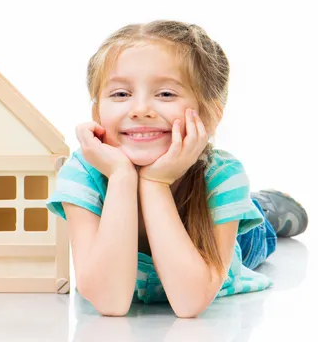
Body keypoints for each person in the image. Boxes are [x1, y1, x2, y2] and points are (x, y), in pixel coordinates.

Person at [46, 21, 308, 318]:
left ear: (210, 116)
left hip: (232, 250)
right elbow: (110, 302)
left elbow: (189, 303)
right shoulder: (83, 172)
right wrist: (121, 177)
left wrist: (154, 183)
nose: (140, 109)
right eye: (120, 94)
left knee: (254, 235)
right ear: (97, 113)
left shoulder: (221, 176)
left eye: (166, 94)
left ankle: (263, 210)